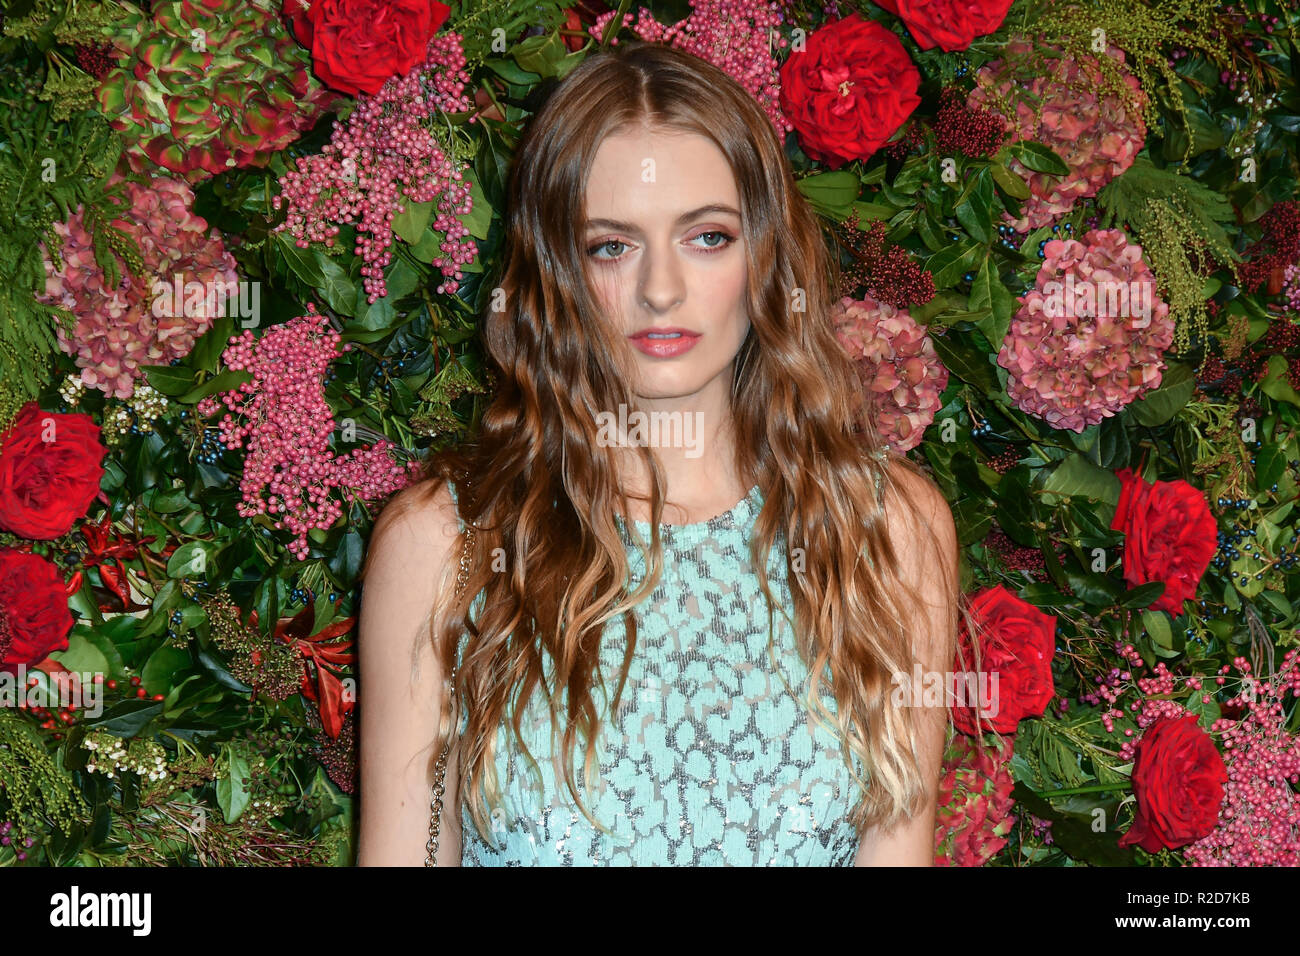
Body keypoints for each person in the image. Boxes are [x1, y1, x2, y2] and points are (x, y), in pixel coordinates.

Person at [356, 39, 964, 866]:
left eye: (707, 237)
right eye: (612, 245)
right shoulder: (450, 542)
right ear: (556, 270)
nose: (661, 289)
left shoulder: (885, 530)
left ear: (765, 252)